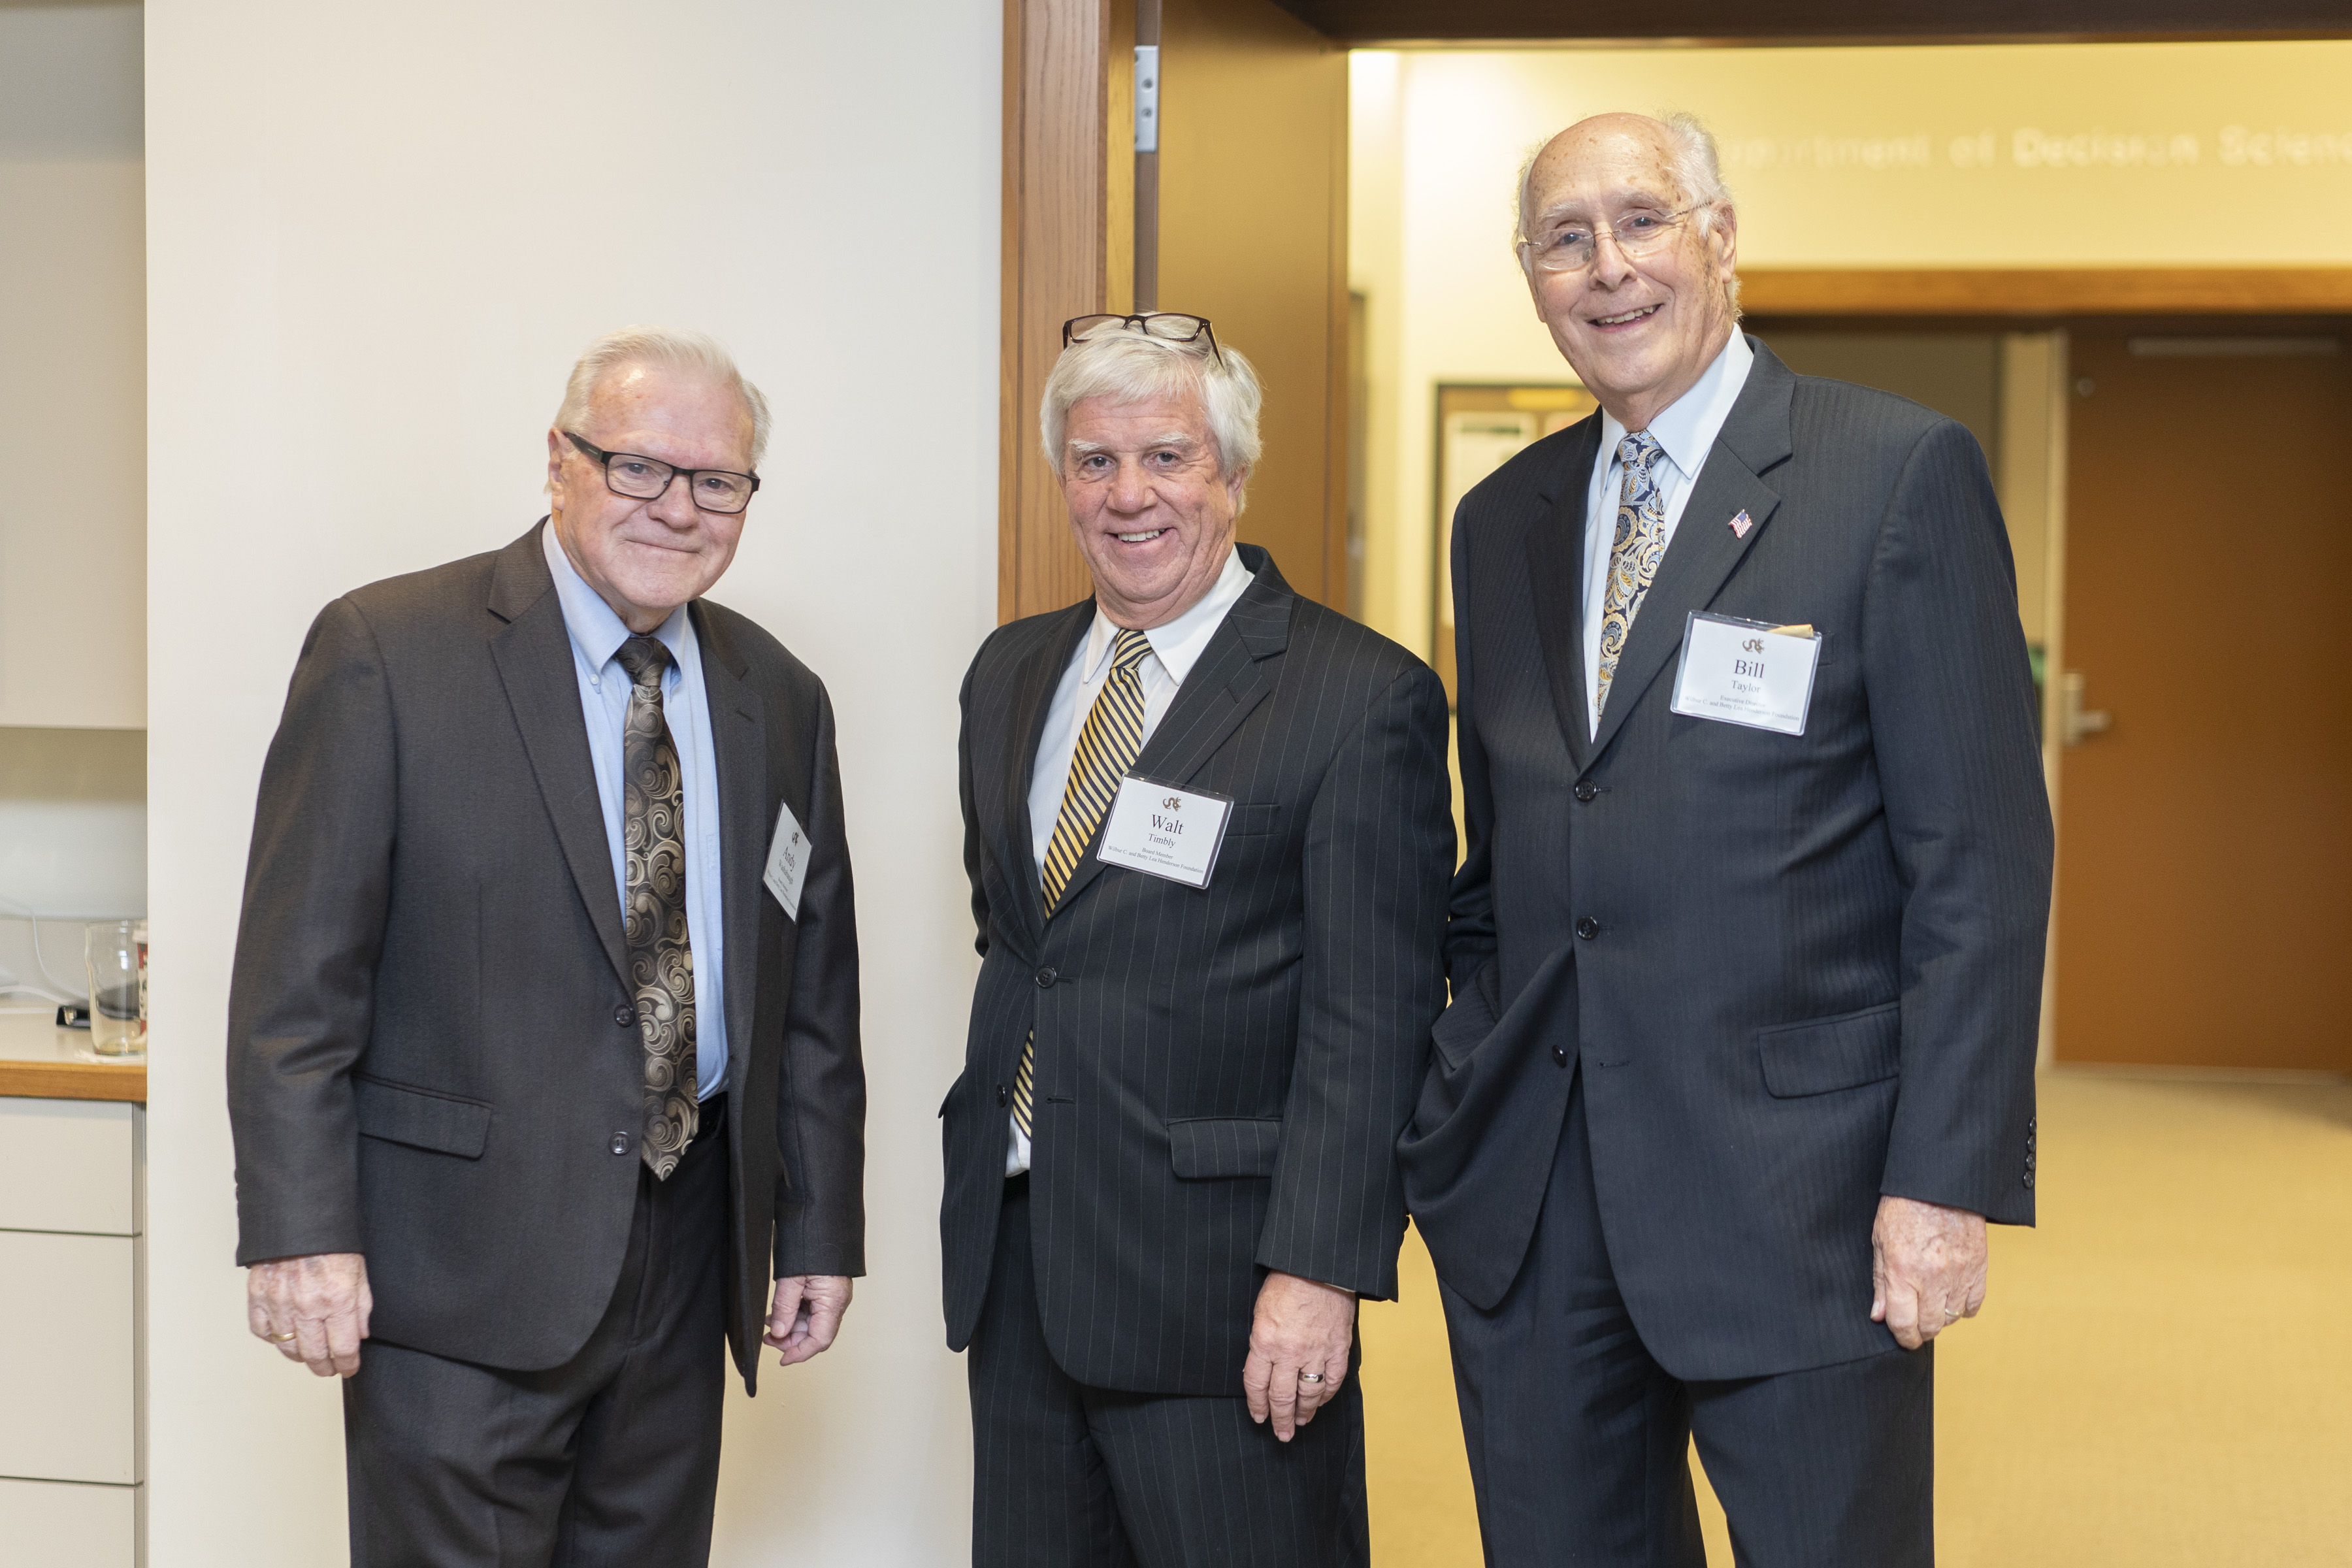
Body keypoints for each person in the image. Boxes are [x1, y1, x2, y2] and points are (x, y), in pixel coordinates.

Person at [1399, 114, 2051, 1566]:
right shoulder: (1499, 522)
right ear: (1530, 275)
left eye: (1642, 221)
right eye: (1565, 239)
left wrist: (1941, 1184)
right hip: (1540, 1195)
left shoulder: (1893, 475)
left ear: (1722, 238)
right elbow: (1511, 847)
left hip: (1802, 1195)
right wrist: (1455, 1091)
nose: (1607, 269)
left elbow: (1982, 870)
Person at [226, 326, 866, 1565]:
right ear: (559, 463)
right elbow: (294, 989)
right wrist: (300, 1233)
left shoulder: (779, 698)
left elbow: (813, 995)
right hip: (455, 1271)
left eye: (715, 481)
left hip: (686, 1266)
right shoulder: (388, 652)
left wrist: (819, 1225)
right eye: (636, 467)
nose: (676, 508)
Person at [941, 313, 1453, 1567]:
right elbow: (1022, 938)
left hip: (1225, 1293)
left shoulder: (1357, 696)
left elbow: (1373, 1019)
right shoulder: (1010, 673)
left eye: (1168, 458)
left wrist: (1320, 1275)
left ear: (1232, 474)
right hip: (1019, 1262)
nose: (1130, 497)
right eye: (1095, 462)